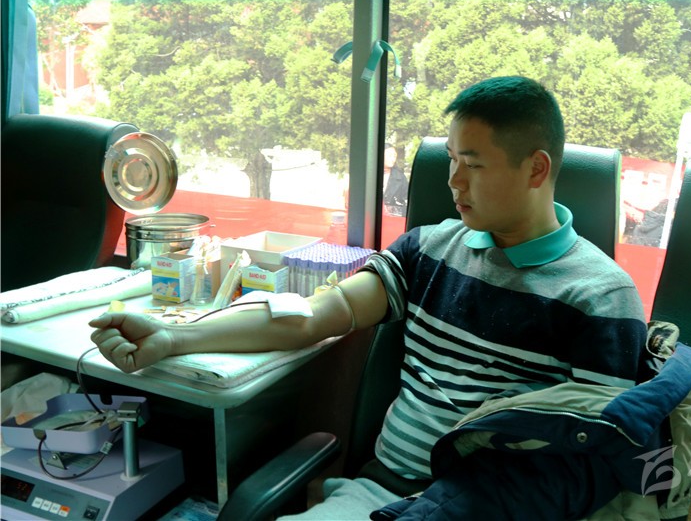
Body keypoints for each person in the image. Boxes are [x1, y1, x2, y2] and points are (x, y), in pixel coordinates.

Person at [90, 76, 652, 519]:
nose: (454, 182)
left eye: (474, 165)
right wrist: (173, 337)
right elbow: (313, 316)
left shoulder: (599, 297)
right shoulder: (428, 251)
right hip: (378, 495)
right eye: (452, 160)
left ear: (536, 169)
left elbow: (589, 465)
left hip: (492, 508)